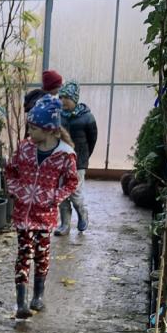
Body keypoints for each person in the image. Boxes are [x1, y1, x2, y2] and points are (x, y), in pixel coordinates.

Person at [5, 96, 79, 319]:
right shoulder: (24, 148)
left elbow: (71, 182)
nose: (29, 132)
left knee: (41, 255)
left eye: (34, 128)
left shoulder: (65, 154)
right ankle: (21, 302)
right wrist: (17, 190)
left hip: (45, 217)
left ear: (49, 130)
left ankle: (38, 296)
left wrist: (54, 197)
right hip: (23, 214)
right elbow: (10, 171)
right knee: (23, 255)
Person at [55, 80, 98, 235]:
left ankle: (82, 213)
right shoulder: (58, 116)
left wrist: (84, 158)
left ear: (75, 98)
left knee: (74, 192)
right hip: (59, 161)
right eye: (61, 97)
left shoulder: (87, 117)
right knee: (61, 193)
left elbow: (92, 140)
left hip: (78, 162)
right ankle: (65, 225)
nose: (63, 101)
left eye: (66, 97)